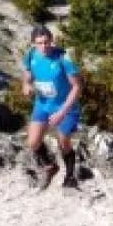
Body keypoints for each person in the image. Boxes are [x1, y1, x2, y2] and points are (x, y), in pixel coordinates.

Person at [20, 25, 83, 189]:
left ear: (52, 40)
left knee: (63, 140)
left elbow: (77, 86)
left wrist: (62, 112)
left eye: (47, 42)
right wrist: (26, 85)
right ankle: (50, 166)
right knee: (33, 142)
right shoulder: (31, 55)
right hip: (42, 104)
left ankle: (69, 177)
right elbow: (28, 74)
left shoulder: (63, 58)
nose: (44, 46)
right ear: (33, 43)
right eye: (39, 43)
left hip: (65, 106)